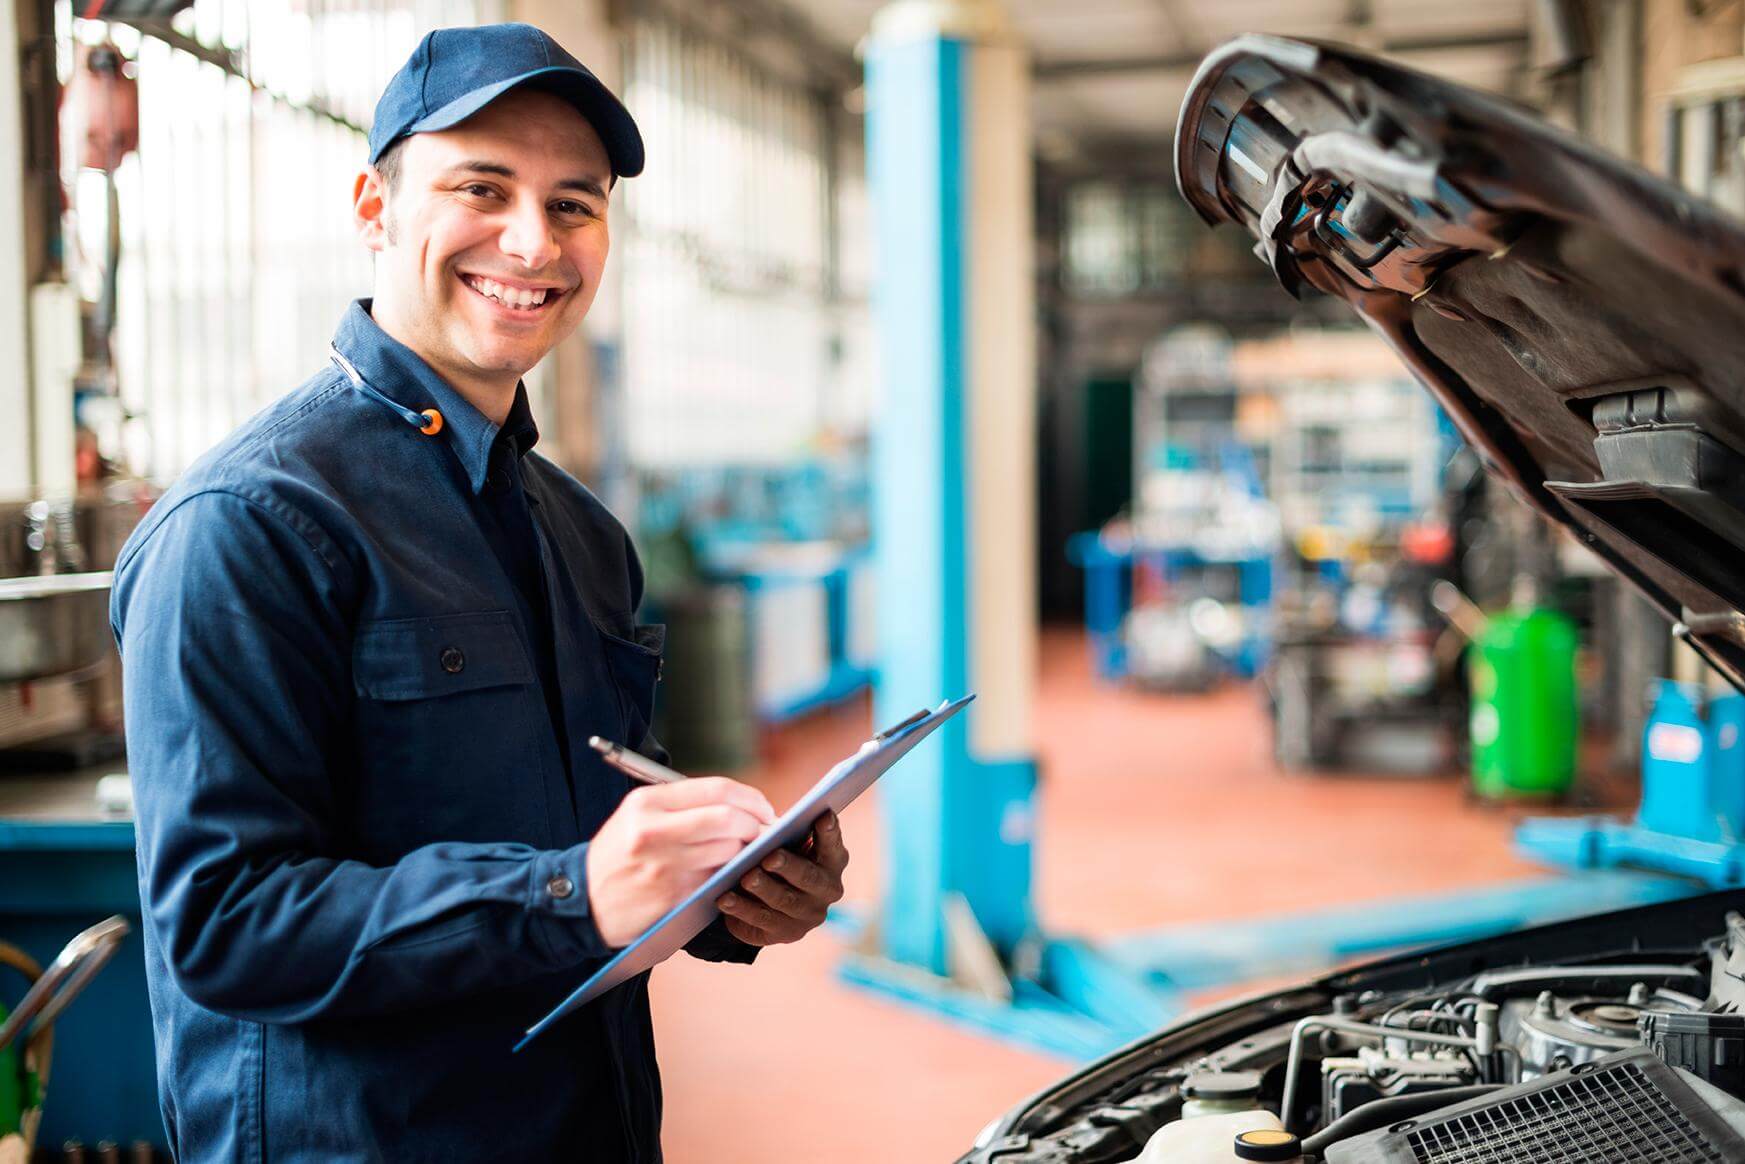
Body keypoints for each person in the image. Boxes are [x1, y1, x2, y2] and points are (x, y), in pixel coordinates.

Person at [110, 23, 847, 1162]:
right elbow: (226, 924)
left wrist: (729, 895)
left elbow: (589, 841)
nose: (531, 242)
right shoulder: (251, 525)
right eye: (480, 187)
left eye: (572, 204)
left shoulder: (581, 535)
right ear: (373, 208)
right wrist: (568, 892)